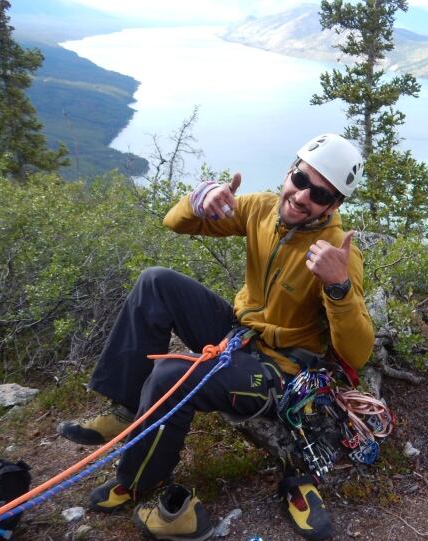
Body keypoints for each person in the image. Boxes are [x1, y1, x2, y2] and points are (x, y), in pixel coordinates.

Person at [57, 133, 374, 541]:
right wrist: (199, 201)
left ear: (333, 206)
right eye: (300, 179)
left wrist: (338, 287)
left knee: (172, 376)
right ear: (289, 171)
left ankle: (137, 480)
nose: (301, 196)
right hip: (237, 331)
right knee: (156, 283)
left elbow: (357, 352)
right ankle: (123, 409)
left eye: (319, 193)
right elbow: (175, 223)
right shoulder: (262, 209)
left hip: (278, 369)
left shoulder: (336, 253)